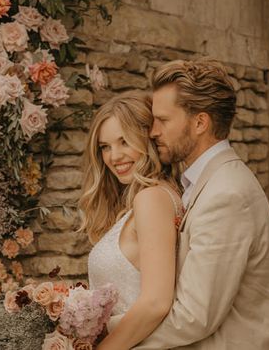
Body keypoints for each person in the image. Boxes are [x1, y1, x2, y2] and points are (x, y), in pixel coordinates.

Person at [110, 58, 269, 349]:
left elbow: (194, 317)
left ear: (200, 122)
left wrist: (102, 328)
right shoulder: (201, 184)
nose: (153, 132)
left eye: (163, 120)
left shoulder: (227, 194)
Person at [80, 91, 184, 350]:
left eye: (124, 141)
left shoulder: (151, 199)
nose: (114, 157)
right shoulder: (154, 197)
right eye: (105, 147)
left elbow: (155, 303)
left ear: (147, 139)